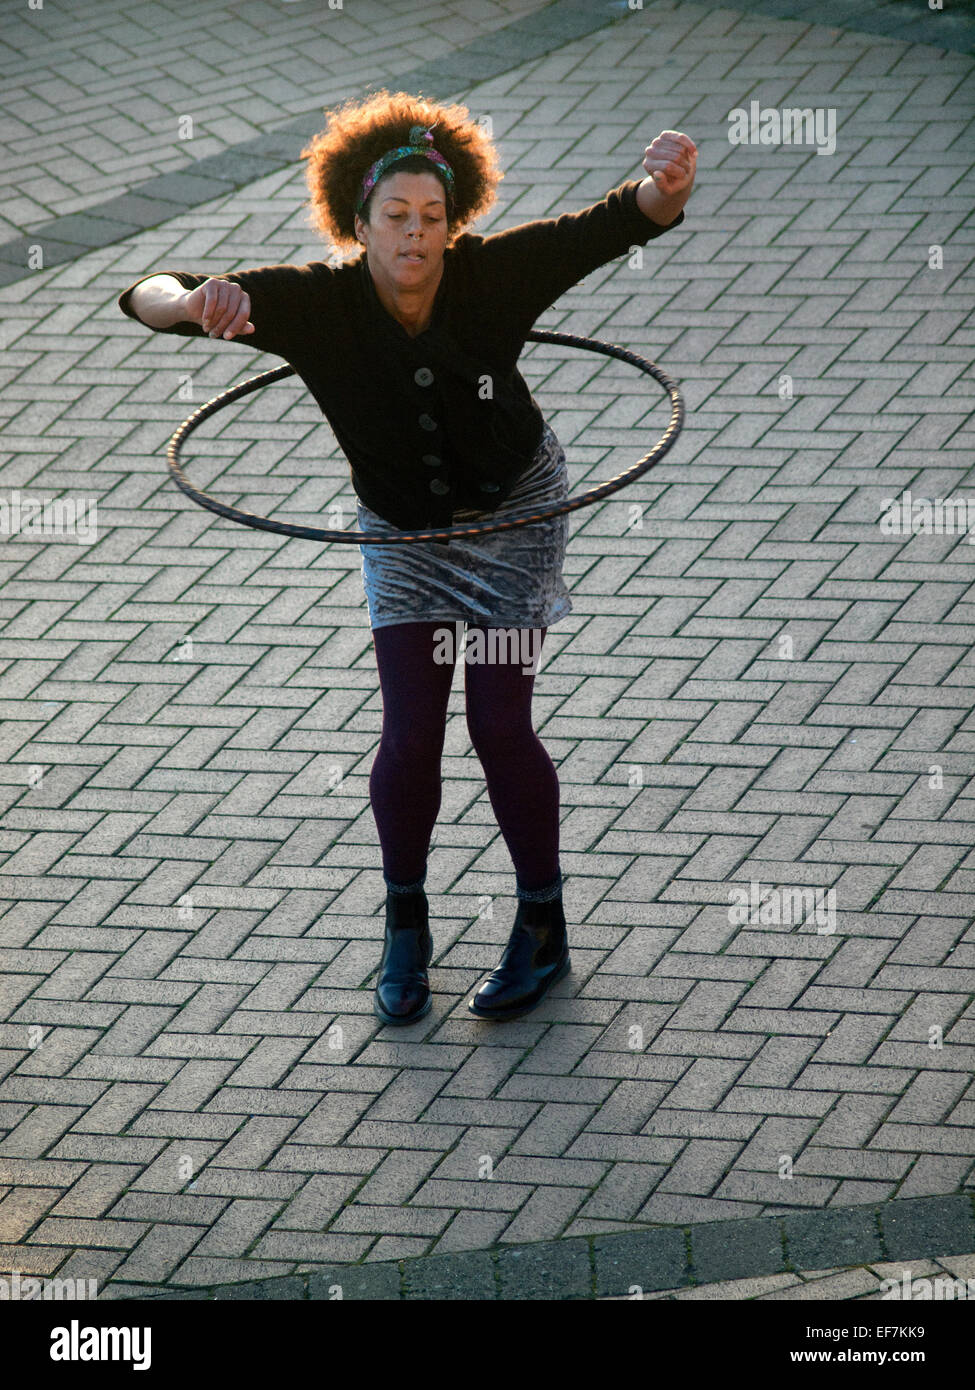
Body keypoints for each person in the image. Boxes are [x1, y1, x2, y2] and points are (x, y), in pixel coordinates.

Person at [117, 89, 696, 1028]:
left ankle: (542, 926)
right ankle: (404, 926)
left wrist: (664, 184)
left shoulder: (492, 277)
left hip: (515, 519)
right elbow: (144, 298)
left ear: (452, 221)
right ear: (359, 224)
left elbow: (618, 221)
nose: (415, 236)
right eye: (395, 219)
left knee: (499, 724)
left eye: (432, 218)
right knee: (411, 730)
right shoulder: (312, 304)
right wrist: (191, 298)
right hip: (403, 538)